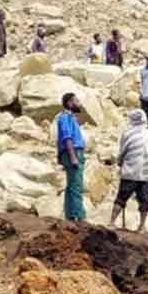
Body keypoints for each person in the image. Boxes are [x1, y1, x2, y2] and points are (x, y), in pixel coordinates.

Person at [109, 109, 148, 232]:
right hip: (146, 173)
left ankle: (112, 222)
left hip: (130, 171)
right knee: (144, 201)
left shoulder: (128, 134)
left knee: (121, 198)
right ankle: (141, 226)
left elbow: (123, 151)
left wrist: (120, 163)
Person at [55, 93, 87, 223]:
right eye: (76, 101)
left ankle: (70, 215)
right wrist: (73, 157)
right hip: (73, 153)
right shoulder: (65, 118)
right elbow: (67, 138)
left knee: (71, 186)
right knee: (76, 186)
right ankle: (79, 216)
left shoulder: (70, 118)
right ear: (69, 103)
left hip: (72, 153)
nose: (79, 103)